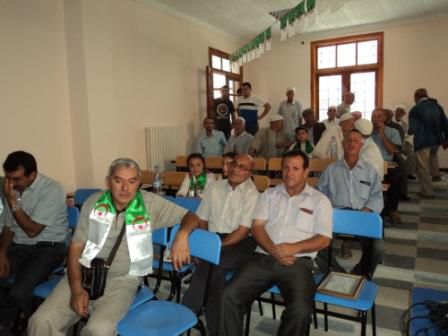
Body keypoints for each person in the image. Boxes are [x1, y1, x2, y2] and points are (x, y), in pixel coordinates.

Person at [28, 158, 201, 336]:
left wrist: (182, 235)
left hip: (123, 280)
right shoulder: (94, 203)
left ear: (139, 182)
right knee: (41, 321)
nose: (125, 188)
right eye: (119, 181)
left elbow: (192, 217)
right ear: (109, 181)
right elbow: (75, 249)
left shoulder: (150, 203)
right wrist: (77, 289)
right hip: (85, 272)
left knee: (98, 330)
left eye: (132, 181)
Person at [218, 150, 333, 336]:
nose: (289, 173)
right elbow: (257, 228)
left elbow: (324, 239)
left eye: (295, 168)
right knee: (228, 296)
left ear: (306, 172)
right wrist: (274, 251)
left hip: (297, 263)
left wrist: (293, 248)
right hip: (262, 258)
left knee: (301, 311)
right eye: (286, 168)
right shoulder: (269, 194)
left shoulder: (320, 201)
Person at [181, 154, 259, 336]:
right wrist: (208, 242)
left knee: (211, 263)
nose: (236, 169)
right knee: (215, 273)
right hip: (214, 236)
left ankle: (188, 311)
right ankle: (215, 327)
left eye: (242, 167)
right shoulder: (214, 187)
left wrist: (213, 248)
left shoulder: (252, 194)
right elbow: (202, 219)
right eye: (234, 164)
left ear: (250, 173)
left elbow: (243, 230)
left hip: (239, 241)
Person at [0, 151, 68, 332]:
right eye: (8, 178)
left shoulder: (52, 189)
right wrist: (2, 253)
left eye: (16, 179)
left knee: (20, 291)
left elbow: (32, 230)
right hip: (20, 247)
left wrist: (13, 202)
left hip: (49, 249)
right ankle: (7, 323)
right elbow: (8, 227)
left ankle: (39, 325)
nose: (11, 183)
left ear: (32, 175)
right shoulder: (12, 190)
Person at [317, 130, 384, 278]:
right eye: (348, 140)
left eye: (355, 140)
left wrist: (366, 211)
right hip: (336, 216)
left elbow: (377, 197)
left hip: (362, 215)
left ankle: (359, 274)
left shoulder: (370, 171)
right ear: (343, 144)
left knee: (378, 248)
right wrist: (328, 211)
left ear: (361, 144)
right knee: (314, 242)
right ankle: (336, 273)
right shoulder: (331, 170)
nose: (352, 143)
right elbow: (320, 195)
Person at [409, 88, 448, 198]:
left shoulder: (416, 109)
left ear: (416, 97)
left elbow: (412, 129)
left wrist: (409, 132)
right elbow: (445, 123)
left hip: (423, 141)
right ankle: (436, 176)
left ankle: (427, 192)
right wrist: (446, 139)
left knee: (423, 166)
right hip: (437, 139)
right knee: (433, 156)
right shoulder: (437, 106)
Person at [371, 108, 402, 223]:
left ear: (384, 118)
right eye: (373, 116)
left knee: (395, 175)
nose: (375, 119)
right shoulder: (367, 132)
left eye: (379, 117)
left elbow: (392, 150)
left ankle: (393, 210)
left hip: (386, 163)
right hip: (370, 164)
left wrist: (382, 134)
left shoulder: (393, 131)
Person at [394, 105, 417, 179]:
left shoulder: (405, 124)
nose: (398, 113)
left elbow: (407, 136)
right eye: (397, 111)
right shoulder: (390, 122)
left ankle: (409, 173)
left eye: (401, 112)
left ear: (404, 113)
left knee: (412, 154)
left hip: (402, 145)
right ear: (395, 112)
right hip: (392, 145)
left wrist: (408, 143)